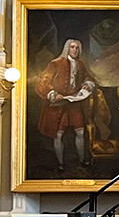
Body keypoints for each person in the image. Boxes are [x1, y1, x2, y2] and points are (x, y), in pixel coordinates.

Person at [34, 38, 97, 174]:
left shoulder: (80, 65)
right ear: (67, 49)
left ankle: (82, 161)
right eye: (72, 47)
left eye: (77, 48)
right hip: (58, 104)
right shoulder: (55, 64)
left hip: (74, 103)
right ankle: (61, 163)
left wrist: (87, 84)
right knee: (59, 134)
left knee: (80, 132)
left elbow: (89, 78)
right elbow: (42, 82)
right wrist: (53, 93)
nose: (75, 50)